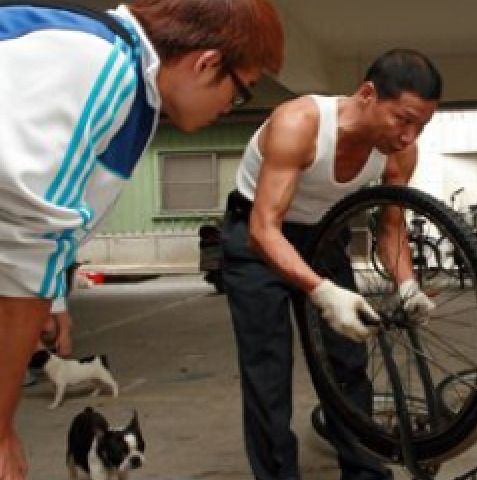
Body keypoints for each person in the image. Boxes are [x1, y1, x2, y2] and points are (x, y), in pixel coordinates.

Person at [0, 1, 284, 478]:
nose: (229, 107)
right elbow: (28, 235)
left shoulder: (136, 96)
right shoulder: (104, 67)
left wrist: (51, 298)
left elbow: (48, 222)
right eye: (240, 92)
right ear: (207, 63)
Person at [220, 48, 441, 480]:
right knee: (268, 372)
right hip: (257, 237)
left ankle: (363, 473)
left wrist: (408, 285)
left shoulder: (399, 152)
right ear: (367, 94)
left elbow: (391, 230)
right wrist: (321, 291)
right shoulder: (300, 123)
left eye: (421, 126)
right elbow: (264, 231)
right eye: (403, 119)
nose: (409, 136)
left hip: (324, 237)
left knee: (347, 360)